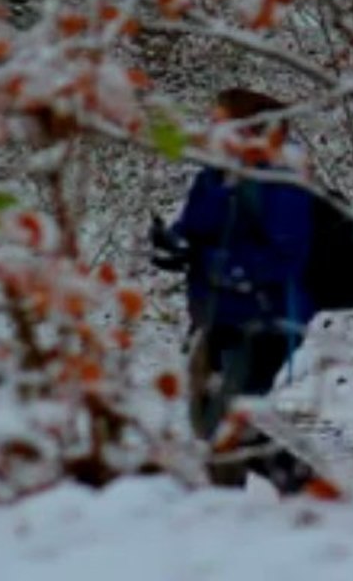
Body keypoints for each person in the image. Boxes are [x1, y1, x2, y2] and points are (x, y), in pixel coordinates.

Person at [150, 88, 320, 492]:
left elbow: (284, 258)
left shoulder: (282, 182)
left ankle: (295, 487)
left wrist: (208, 262)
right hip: (212, 313)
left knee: (224, 421)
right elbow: (192, 229)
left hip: (266, 318)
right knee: (205, 418)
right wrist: (172, 245)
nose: (211, 129)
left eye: (220, 121)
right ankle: (240, 504)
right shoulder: (213, 176)